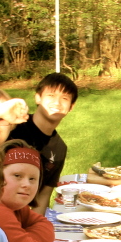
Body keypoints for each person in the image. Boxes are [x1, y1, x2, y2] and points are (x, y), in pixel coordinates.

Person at [7, 72, 78, 213]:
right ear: (38, 97)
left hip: (23, 217)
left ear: (71, 107)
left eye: (64, 98)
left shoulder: (59, 148)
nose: (57, 103)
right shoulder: (13, 128)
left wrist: (34, 229)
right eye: (51, 96)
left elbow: (44, 194)